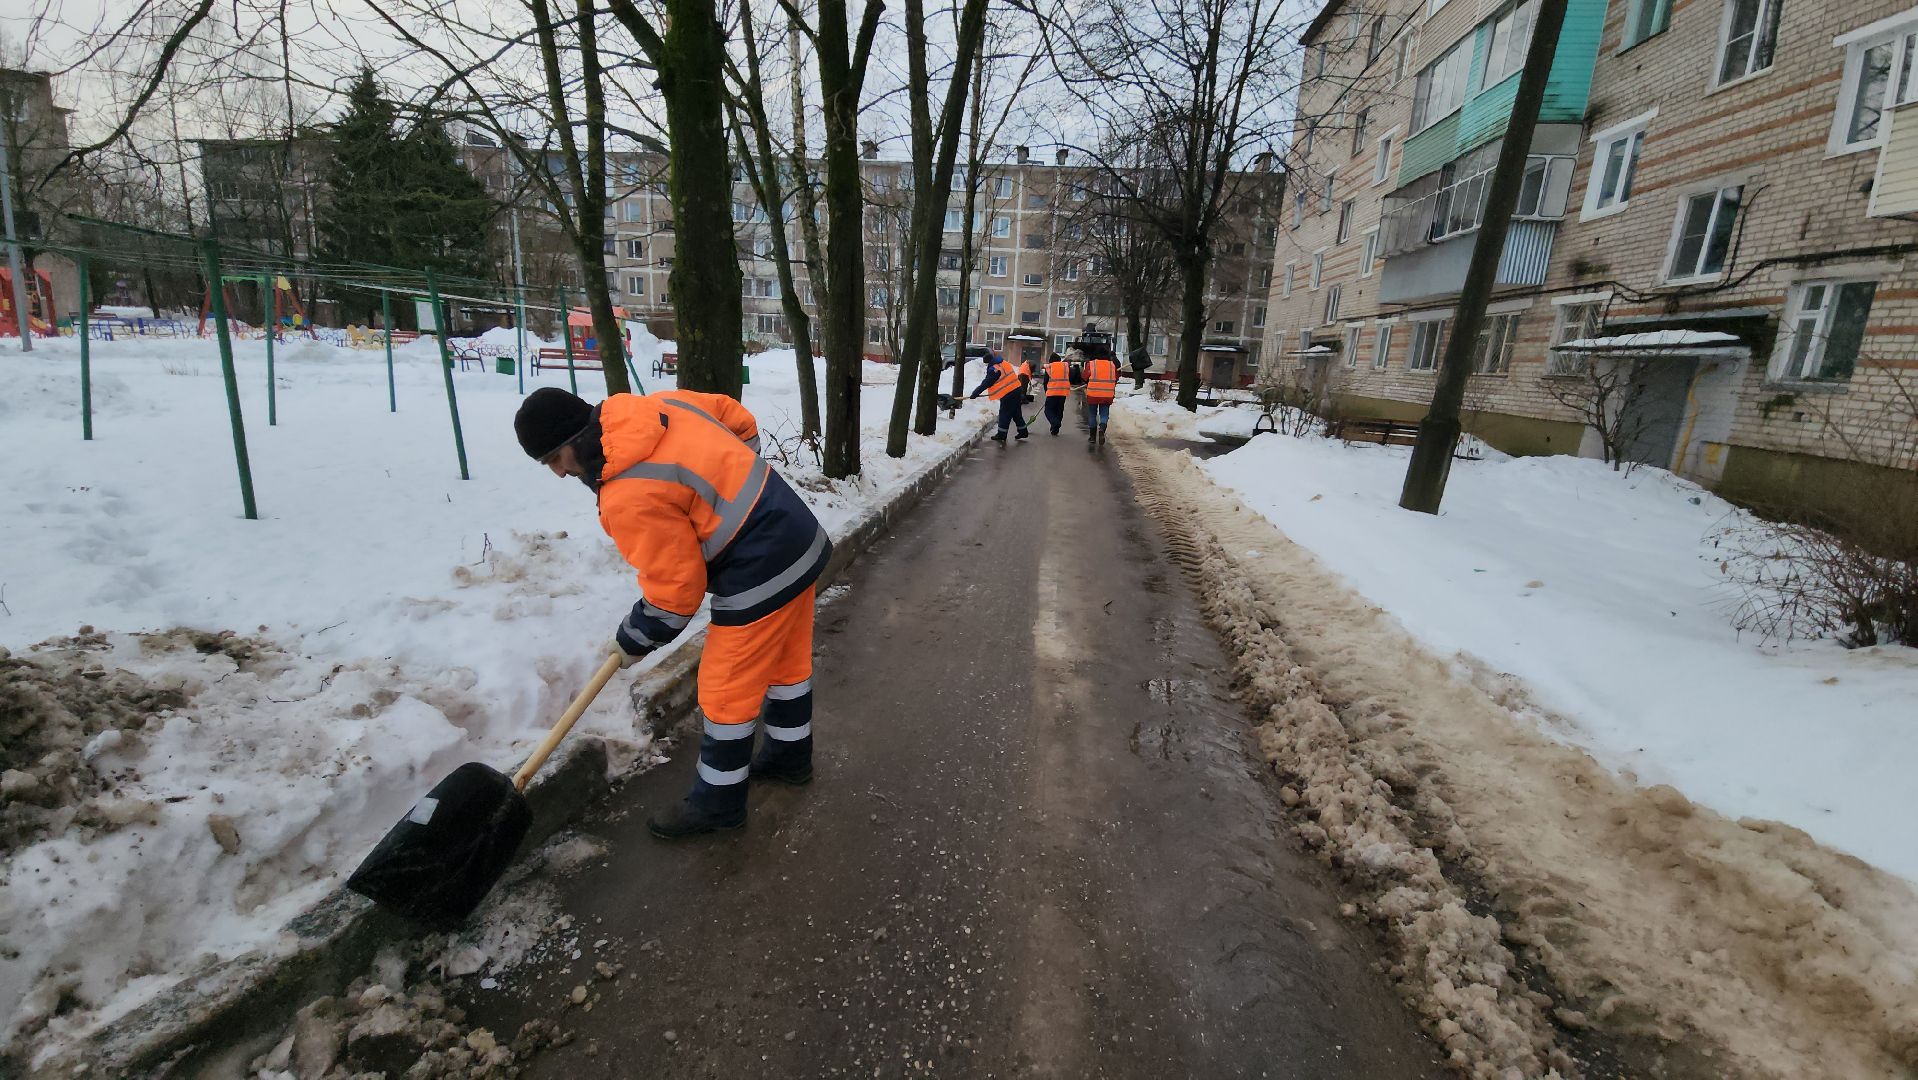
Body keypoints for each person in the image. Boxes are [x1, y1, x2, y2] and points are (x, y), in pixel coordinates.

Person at [514, 386, 830, 839]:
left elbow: (675, 595)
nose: (559, 474)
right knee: (786, 664)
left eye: (553, 460)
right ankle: (789, 756)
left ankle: (718, 805)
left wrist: (631, 640)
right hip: (796, 534)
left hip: (760, 567)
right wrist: (743, 478)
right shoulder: (651, 408)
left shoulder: (628, 494)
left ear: (573, 439)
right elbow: (733, 415)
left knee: (725, 688)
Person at [969, 351, 1031, 441]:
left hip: (1008, 393)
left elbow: (987, 382)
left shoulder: (994, 369)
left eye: (986, 363)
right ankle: (1023, 431)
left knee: (1004, 413)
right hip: (1017, 389)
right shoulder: (1003, 363)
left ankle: (1001, 434)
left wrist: (975, 393)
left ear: (989, 361)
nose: (987, 365)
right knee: (1016, 412)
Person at [1083, 351, 1119, 445]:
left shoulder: (1091, 364)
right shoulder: (1112, 365)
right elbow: (1116, 378)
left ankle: (1092, 437)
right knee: (1104, 414)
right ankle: (1102, 428)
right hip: (1107, 394)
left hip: (1093, 394)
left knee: (1092, 414)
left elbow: (1084, 376)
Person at [1040, 352, 1072, 435]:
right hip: (1063, 393)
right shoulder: (1065, 367)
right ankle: (1055, 429)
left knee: (1048, 410)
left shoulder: (1050, 367)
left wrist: (1046, 391)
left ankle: (1055, 423)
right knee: (1059, 410)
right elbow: (1070, 378)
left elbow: (1045, 382)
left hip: (1052, 393)